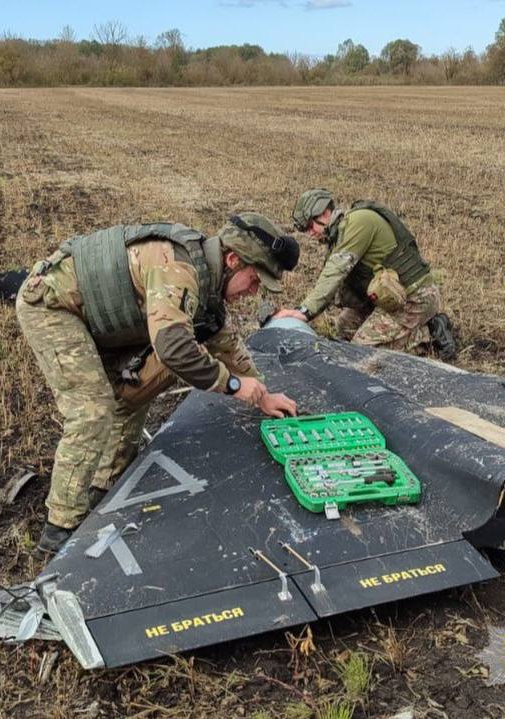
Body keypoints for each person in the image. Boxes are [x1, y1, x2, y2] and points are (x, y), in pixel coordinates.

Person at [16, 214, 299, 553]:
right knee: (93, 408)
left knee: (135, 390)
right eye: (254, 280)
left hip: (104, 322)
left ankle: (104, 486)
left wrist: (261, 393)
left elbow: (224, 344)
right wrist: (234, 387)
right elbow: (174, 347)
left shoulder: (207, 284)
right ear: (233, 260)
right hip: (54, 307)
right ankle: (60, 528)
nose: (253, 292)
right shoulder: (178, 269)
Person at [277, 189, 456, 359]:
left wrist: (304, 312)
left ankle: (429, 335)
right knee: (343, 330)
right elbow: (333, 285)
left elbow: (334, 272)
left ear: (323, 213)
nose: (310, 234)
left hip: (414, 296)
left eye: (310, 226)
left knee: (362, 353)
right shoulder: (339, 235)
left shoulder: (358, 222)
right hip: (386, 298)